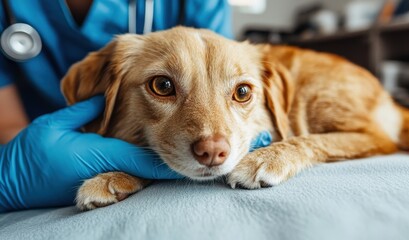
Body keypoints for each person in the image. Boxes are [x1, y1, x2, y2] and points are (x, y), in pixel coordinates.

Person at [0, 0, 271, 213]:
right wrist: (15, 174)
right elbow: (8, 126)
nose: (211, 147)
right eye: (163, 86)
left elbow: (218, 71)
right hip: (32, 141)